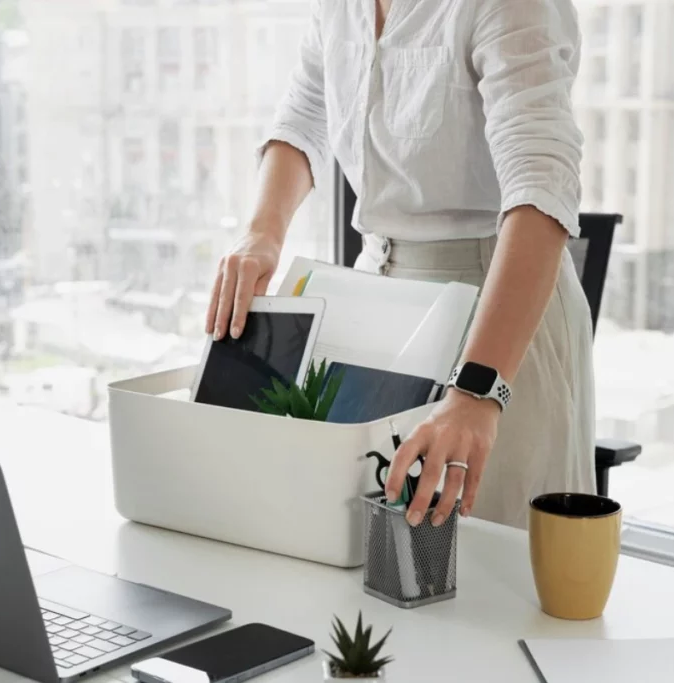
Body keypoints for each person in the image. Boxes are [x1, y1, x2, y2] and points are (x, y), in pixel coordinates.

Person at [205, 0, 594, 530]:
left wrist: (478, 388)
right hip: (379, 304)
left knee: (493, 569)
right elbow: (304, 116)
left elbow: (541, 185)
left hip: (494, 318)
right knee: (376, 555)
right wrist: (262, 233)